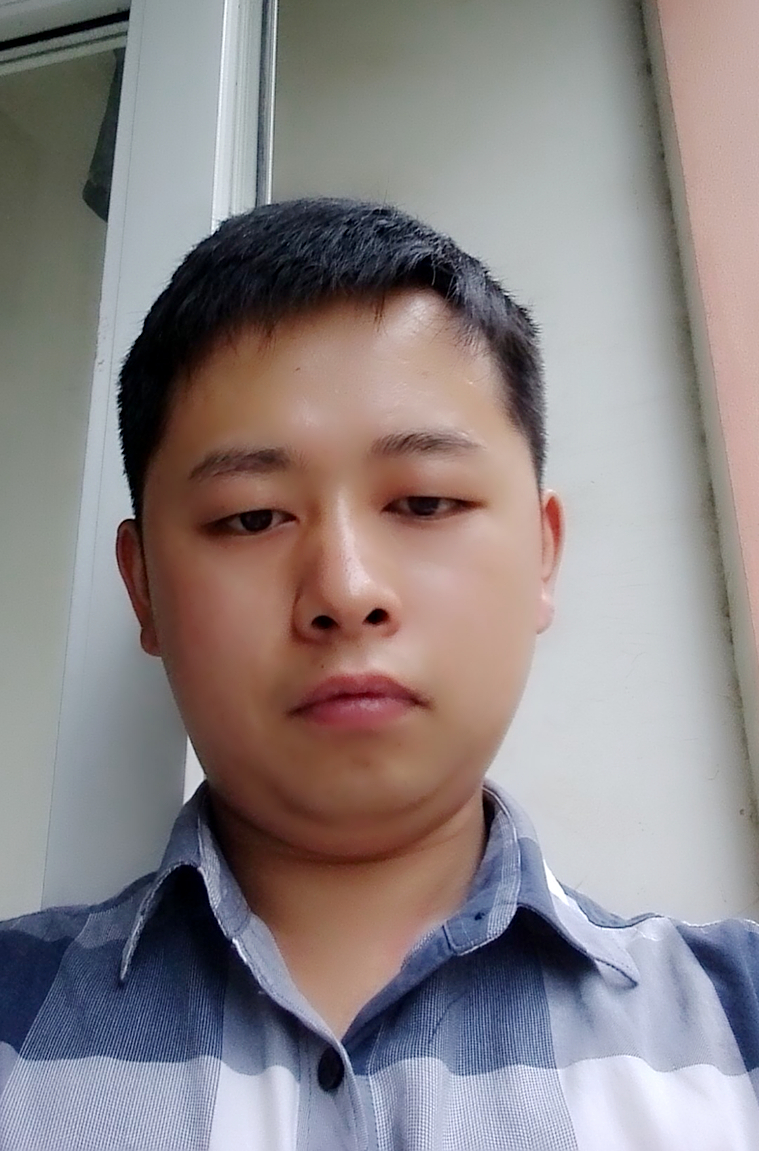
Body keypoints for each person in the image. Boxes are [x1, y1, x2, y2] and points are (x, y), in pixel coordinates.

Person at [1, 198, 758, 1151]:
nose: (346, 590)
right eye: (250, 517)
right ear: (142, 586)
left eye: (425, 502)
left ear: (541, 555)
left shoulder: (738, 1027)